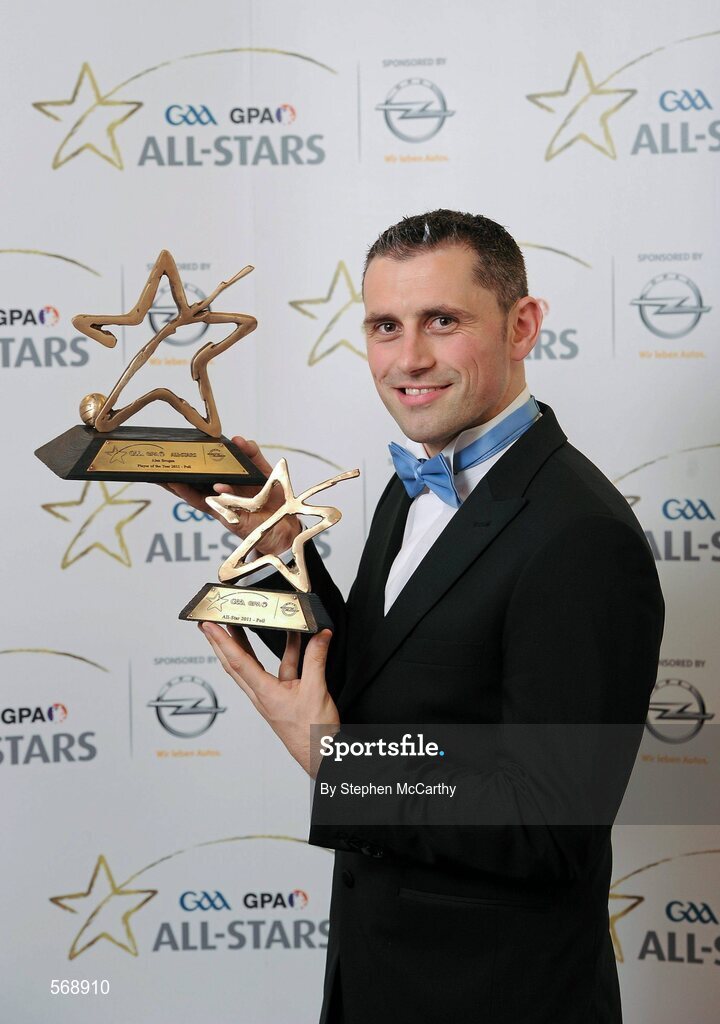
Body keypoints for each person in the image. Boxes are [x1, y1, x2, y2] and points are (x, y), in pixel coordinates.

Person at [171, 210, 664, 1024]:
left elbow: (548, 829)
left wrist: (337, 762)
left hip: (495, 998)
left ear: (522, 325)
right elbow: (385, 679)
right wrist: (276, 542)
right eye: (384, 326)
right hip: (379, 977)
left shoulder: (581, 535)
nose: (409, 360)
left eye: (443, 321)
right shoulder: (418, 481)